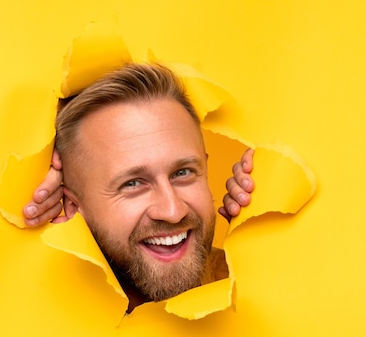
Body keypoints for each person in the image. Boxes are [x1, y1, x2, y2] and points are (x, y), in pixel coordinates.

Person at [23, 63, 255, 311]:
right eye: (132, 183)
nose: (172, 210)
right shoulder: (35, 320)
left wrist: (269, 238)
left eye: (182, 173)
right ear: (72, 206)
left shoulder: (260, 280)